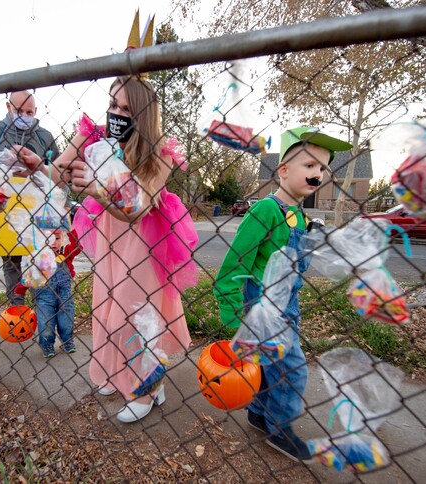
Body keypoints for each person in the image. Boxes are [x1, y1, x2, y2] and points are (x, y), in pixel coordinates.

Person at [31, 76, 197, 423]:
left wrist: (96, 189)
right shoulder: (94, 134)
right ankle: (122, 374)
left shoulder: (159, 152)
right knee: (106, 311)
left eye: (126, 108)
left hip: (143, 241)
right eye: (113, 104)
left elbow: (138, 206)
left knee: (134, 315)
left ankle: (147, 389)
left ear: (143, 115)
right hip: (109, 236)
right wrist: (42, 168)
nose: (116, 113)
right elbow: (60, 172)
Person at [213, 127, 352, 462]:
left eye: (322, 168)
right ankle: (280, 429)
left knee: (268, 365)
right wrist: (233, 311)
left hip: (287, 303)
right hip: (264, 306)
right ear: (284, 170)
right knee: (292, 368)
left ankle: (259, 413)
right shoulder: (266, 210)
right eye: (309, 165)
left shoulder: (300, 216)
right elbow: (235, 263)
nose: (317, 174)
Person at [0, 90, 60, 306]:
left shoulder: (45, 136)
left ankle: (42, 307)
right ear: (8, 107)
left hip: (37, 204)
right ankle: (17, 308)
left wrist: (63, 205)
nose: (25, 115)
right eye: (19, 111)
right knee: (11, 258)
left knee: (40, 254)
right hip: (4, 203)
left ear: (36, 112)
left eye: (29, 112)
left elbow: (59, 172)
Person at [30, 228, 81, 358]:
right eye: (48, 239)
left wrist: (70, 230)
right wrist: (20, 288)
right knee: (45, 320)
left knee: (66, 319)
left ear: (62, 239)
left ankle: (67, 341)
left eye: (57, 238)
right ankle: (47, 345)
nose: (53, 242)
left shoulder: (66, 253)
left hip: (64, 294)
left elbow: (78, 246)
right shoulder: (38, 258)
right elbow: (29, 276)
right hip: (44, 296)